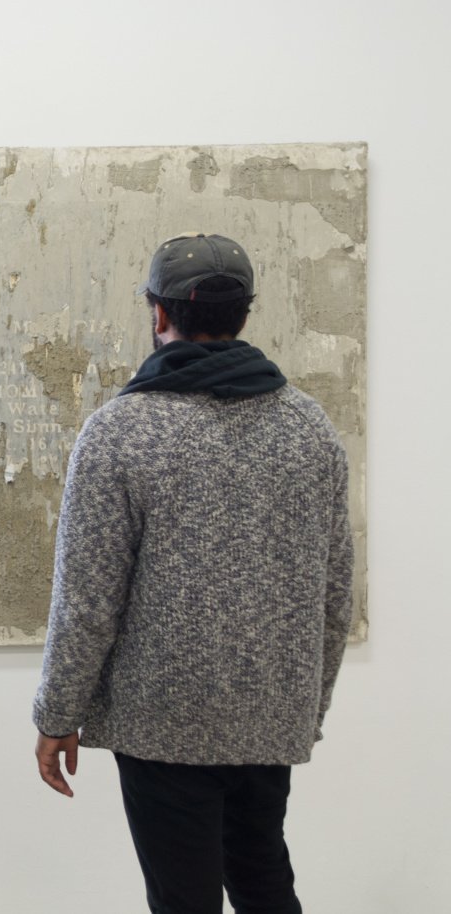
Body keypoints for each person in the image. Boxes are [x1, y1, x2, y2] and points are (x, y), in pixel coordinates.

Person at [30, 232, 353, 913]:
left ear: (158, 313)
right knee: (265, 880)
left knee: (184, 900)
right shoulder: (308, 427)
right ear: (244, 314)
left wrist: (58, 713)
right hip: (270, 709)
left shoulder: (120, 430)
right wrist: (304, 706)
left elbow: (87, 599)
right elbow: (334, 590)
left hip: (163, 719)